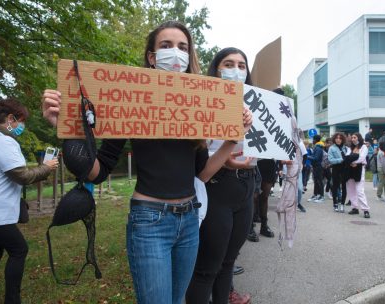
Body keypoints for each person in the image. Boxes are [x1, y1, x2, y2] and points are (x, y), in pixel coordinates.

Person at [42, 22, 252, 304]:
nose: (175, 53)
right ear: (152, 57)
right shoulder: (129, 104)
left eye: (183, 48)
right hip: (150, 222)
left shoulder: (197, 108)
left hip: (190, 219)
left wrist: (231, 139)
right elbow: (98, 171)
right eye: (166, 46)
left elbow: (201, 173)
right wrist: (69, 132)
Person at [0, 98, 59, 304]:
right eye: (21, 121)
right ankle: (13, 300)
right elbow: (22, 176)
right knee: (19, 249)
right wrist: (47, 167)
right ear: (10, 119)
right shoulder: (3, 141)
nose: (22, 126)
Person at [185, 47, 254, 304]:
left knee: (228, 263)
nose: (236, 70)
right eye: (229, 63)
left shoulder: (256, 105)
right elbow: (201, 167)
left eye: (241, 65)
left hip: (246, 188)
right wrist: (227, 161)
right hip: (216, 188)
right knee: (207, 268)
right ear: (217, 68)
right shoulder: (202, 101)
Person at [345, 133, 371, 218]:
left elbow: (362, 158)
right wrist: (352, 162)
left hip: (360, 169)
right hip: (350, 169)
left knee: (360, 190)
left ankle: (366, 210)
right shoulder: (350, 148)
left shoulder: (363, 147)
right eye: (352, 137)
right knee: (351, 189)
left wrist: (354, 162)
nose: (353, 139)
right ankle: (354, 207)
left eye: (354, 137)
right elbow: (347, 157)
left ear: (359, 138)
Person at [328, 132, 349, 212]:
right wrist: (341, 160)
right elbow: (330, 160)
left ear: (342, 139)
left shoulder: (346, 148)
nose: (338, 140)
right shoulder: (331, 148)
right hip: (336, 169)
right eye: (336, 138)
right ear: (334, 139)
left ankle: (342, 204)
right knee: (335, 187)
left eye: (340, 138)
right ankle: (335, 204)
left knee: (344, 187)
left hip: (344, 169)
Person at [307, 135, 324, 203]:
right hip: (316, 167)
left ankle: (321, 196)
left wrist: (307, 156)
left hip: (318, 167)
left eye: (313, 139)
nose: (312, 141)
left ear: (316, 140)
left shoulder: (318, 148)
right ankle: (316, 195)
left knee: (319, 181)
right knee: (316, 181)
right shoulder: (317, 147)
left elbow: (316, 158)